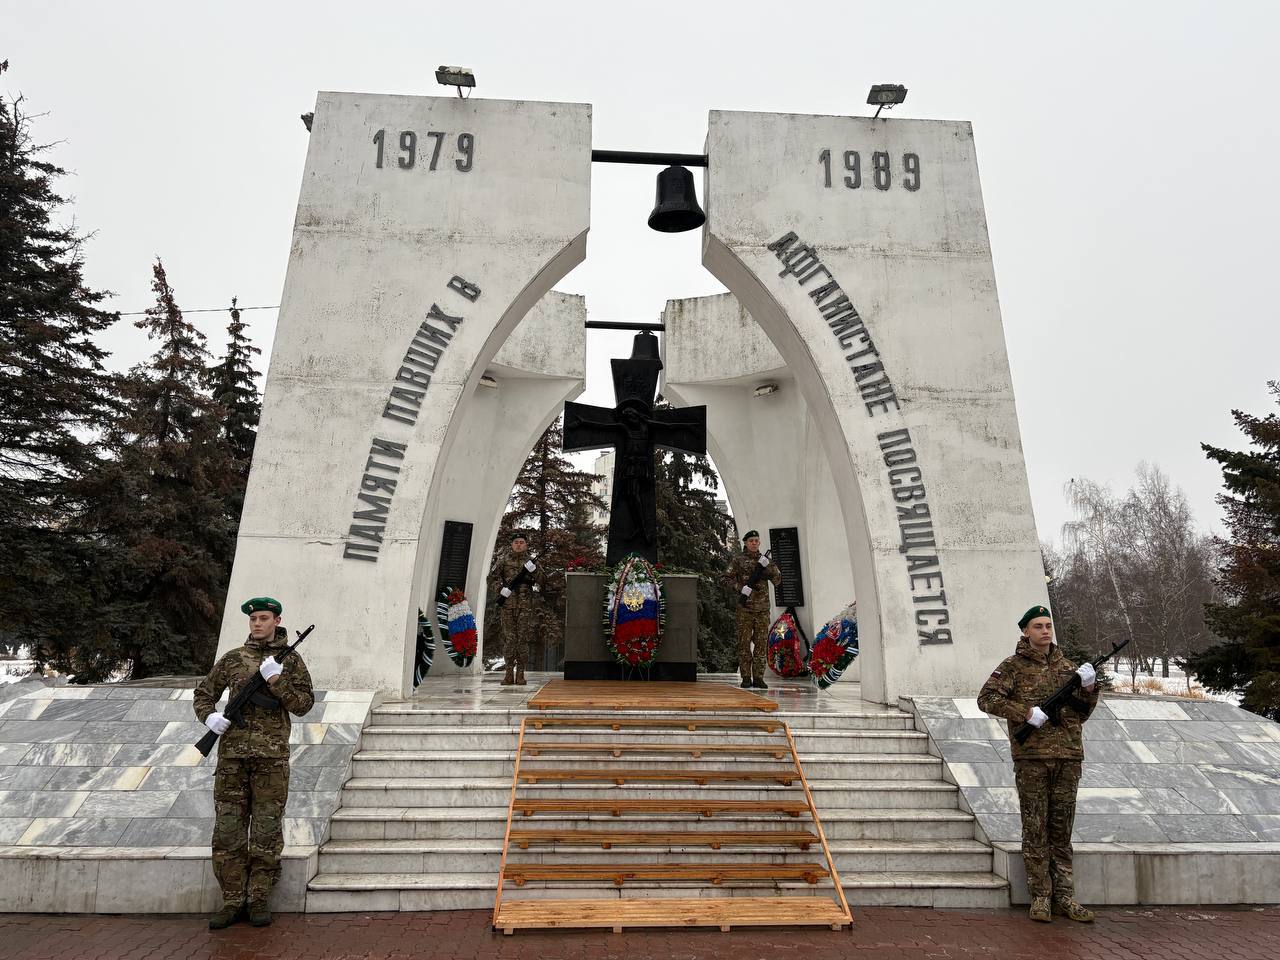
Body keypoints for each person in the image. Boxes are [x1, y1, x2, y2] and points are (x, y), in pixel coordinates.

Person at [194, 597, 314, 929]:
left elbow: (303, 704)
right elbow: (203, 693)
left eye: (264, 618)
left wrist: (278, 682)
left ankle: (258, 899)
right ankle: (232, 901)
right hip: (232, 759)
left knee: (266, 831)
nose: (257, 624)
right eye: (253, 619)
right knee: (228, 832)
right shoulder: (233, 659)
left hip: (271, 761)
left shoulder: (290, 662)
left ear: (277, 620)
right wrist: (210, 718)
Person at [977, 604, 1099, 924]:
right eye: (1038, 626)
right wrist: (1026, 713)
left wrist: (1089, 689)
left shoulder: (1069, 667)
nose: (1045, 631)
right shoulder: (1013, 666)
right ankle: (1041, 896)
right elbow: (986, 699)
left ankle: (1066, 896)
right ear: (1025, 632)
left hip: (1068, 756)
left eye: (1048, 625)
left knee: (1061, 831)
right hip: (1032, 758)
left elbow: (1082, 713)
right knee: (1035, 828)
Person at [722, 529, 781, 689]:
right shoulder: (738, 560)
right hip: (745, 610)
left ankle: (759, 678)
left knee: (761, 644)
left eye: (756, 540)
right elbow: (724, 579)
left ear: (759, 542)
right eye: (751, 541)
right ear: (746, 543)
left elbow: (777, 580)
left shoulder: (766, 561)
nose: (754, 543)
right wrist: (740, 588)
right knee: (744, 644)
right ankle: (746, 677)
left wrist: (768, 567)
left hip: (762, 610)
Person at [488, 532, 545, 685]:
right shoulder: (503, 560)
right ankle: (508, 673)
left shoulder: (531, 562)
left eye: (522, 542)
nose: (519, 544)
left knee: (523, 640)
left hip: (525, 606)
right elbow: (491, 578)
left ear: (526, 545)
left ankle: (520, 673)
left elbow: (542, 580)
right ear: (512, 545)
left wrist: (534, 571)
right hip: (508, 605)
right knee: (510, 640)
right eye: (516, 542)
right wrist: (500, 589)